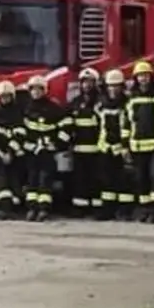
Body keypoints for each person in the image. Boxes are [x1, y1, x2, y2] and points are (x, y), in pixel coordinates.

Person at [125, 61, 154, 222]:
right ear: (135, 78)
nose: (143, 79)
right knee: (141, 179)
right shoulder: (132, 97)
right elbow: (127, 122)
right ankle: (145, 210)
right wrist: (126, 144)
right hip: (137, 146)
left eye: (145, 75)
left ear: (151, 77)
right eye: (140, 76)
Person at [21, 76, 65, 222]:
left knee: (45, 180)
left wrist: (57, 144)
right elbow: (21, 130)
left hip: (47, 150)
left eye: (39, 89)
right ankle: (31, 208)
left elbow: (66, 127)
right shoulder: (26, 108)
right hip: (32, 150)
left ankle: (44, 209)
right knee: (32, 179)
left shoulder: (54, 108)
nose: (36, 92)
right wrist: (26, 145)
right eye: (33, 89)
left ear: (44, 90)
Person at [63, 68, 104, 216]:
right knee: (79, 180)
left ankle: (97, 209)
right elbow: (68, 123)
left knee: (97, 180)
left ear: (96, 83)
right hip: (79, 150)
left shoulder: (101, 102)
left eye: (90, 82)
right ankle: (80, 208)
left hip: (98, 149)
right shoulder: (75, 103)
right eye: (84, 82)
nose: (87, 85)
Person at [0, 79, 27, 220]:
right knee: (3, 181)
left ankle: (15, 209)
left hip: (15, 153)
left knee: (15, 180)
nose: (5, 99)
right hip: (0, 153)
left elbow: (21, 134)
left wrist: (10, 152)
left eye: (7, 96)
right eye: (2, 97)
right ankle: (5, 208)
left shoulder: (17, 114)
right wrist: (0, 152)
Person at [96, 69, 132, 220]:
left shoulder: (128, 104)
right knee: (106, 181)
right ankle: (107, 210)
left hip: (122, 148)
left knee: (124, 180)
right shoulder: (101, 104)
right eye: (110, 86)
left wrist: (126, 147)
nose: (113, 89)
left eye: (116, 86)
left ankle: (124, 211)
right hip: (105, 147)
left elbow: (130, 125)